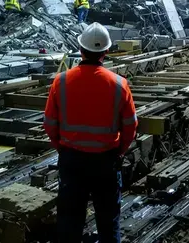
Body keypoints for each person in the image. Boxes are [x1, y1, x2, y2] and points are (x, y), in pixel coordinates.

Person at [43, 23, 137, 243]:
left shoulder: (62, 81)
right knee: (108, 220)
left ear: (81, 49)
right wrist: (119, 151)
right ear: (105, 52)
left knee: (69, 219)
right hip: (106, 161)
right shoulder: (119, 84)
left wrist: (62, 147)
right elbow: (131, 126)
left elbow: (49, 123)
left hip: (72, 160)